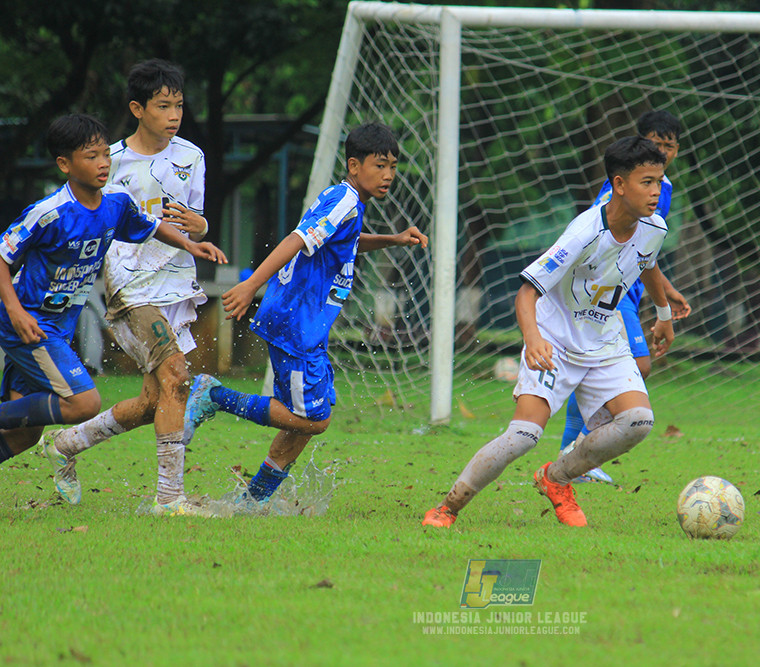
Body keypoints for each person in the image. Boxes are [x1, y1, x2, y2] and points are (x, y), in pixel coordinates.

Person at [423, 136, 676, 529]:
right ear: (619, 185)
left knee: (639, 420)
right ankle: (449, 507)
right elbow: (526, 293)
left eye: (660, 182)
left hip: (604, 342)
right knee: (523, 435)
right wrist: (534, 340)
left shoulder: (653, 227)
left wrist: (663, 314)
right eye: (647, 182)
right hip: (555, 340)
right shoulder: (583, 234)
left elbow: (648, 263)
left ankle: (557, 479)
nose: (656, 192)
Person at [182, 122, 427, 505]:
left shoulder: (347, 202)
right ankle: (214, 395)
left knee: (305, 421)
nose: (389, 175)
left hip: (307, 323)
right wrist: (251, 285)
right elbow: (296, 240)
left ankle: (253, 502)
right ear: (354, 165)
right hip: (297, 320)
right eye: (380, 165)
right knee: (315, 419)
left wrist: (392, 240)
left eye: (393, 166)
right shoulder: (345, 200)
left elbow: (342, 245)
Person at [0, 114, 226, 479]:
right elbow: (2, 256)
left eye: (105, 154)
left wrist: (190, 244)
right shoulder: (48, 212)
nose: (103, 163)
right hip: (31, 323)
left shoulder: (116, 203)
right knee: (83, 403)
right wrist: (15, 311)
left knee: (24, 433)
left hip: (56, 324)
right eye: (91, 157)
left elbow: (150, 227)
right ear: (64, 164)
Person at [40, 60, 214, 516]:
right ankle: (170, 500)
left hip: (175, 283)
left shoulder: (191, 156)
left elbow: (193, 221)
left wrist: (201, 226)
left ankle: (65, 445)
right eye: (163, 105)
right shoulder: (108, 160)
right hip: (130, 284)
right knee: (178, 377)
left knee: (153, 400)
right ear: (138, 108)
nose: (174, 114)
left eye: (178, 105)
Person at [559, 109, 690, 484]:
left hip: (629, 289)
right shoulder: (621, 187)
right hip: (607, 291)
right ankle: (579, 450)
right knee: (639, 365)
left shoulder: (661, 188)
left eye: (670, 146)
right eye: (656, 144)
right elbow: (606, 226)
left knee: (633, 366)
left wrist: (666, 293)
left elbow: (645, 250)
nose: (663, 152)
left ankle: (577, 449)